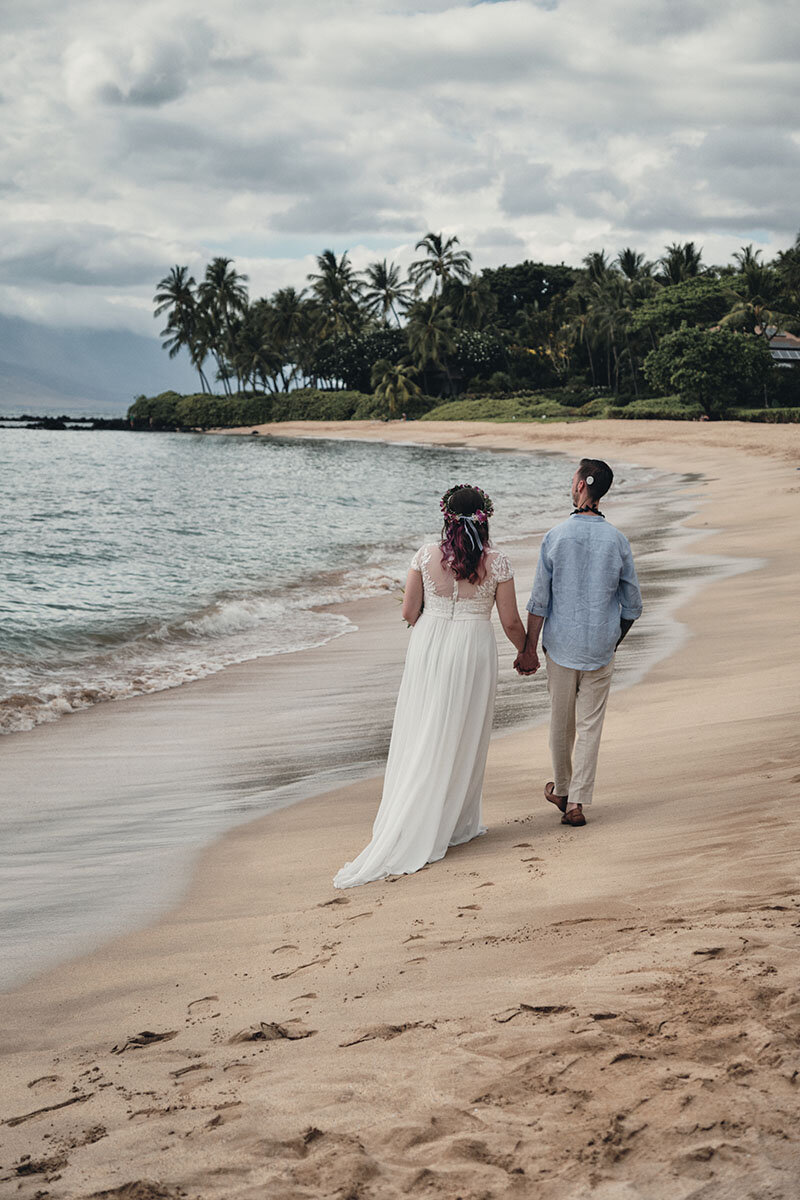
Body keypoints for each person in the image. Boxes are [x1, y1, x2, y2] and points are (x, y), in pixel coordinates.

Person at [334, 485, 527, 888]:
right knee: (462, 731)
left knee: (424, 727)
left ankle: (416, 815)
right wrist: (527, 652)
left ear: (445, 517)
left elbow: (409, 611)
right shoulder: (498, 562)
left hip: (428, 642)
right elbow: (509, 621)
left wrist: (432, 621)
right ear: (484, 517)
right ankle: (453, 822)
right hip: (473, 645)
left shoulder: (425, 555)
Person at [514, 459, 642, 827]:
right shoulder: (617, 540)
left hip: (561, 647)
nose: (571, 483)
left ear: (582, 485)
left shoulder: (555, 536)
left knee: (561, 722)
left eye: (574, 477)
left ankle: (564, 789)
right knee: (589, 726)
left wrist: (527, 651)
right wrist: (612, 640)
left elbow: (540, 601)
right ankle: (577, 803)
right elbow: (632, 606)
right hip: (600, 647)